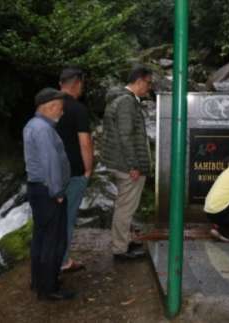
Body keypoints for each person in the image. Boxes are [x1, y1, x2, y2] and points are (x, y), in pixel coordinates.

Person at [23, 87, 74, 301]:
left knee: (41, 239)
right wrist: (58, 191)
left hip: (38, 189)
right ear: (50, 107)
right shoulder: (43, 129)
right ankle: (49, 288)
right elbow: (50, 162)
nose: (61, 113)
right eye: (60, 108)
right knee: (53, 241)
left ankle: (40, 282)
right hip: (48, 191)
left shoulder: (33, 125)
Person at [101, 65, 153, 260]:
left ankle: (123, 240)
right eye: (148, 83)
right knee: (125, 206)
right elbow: (126, 136)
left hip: (119, 162)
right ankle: (120, 249)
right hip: (126, 165)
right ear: (139, 81)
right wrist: (134, 165)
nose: (149, 87)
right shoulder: (126, 102)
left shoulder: (121, 99)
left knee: (125, 204)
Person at [55, 68, 93, 273]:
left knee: (52, 218)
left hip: (50, 172)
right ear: (77, 83)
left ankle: (49, 258)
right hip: (72, 172)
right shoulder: (78, 109)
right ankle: (62, 261)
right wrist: (88, 169)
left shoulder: (47, 107)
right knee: (67, 218)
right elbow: (84, 142)